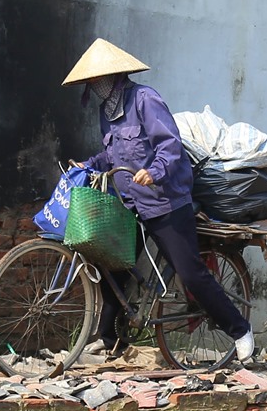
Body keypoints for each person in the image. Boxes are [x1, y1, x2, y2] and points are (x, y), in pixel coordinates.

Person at [63, 38, 255, 363]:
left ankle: (240, 330)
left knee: (191, 273)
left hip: (166, 203)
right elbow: (111, 154)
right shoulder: (106, 113)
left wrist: (154, 171)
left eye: (97, 80)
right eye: (90, 82)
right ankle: (111, 339)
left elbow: (170, 145)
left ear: (114, 76)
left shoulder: (144, 99)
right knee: (115, 264)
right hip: (130, 205)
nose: (94, 86)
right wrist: (90, 164)